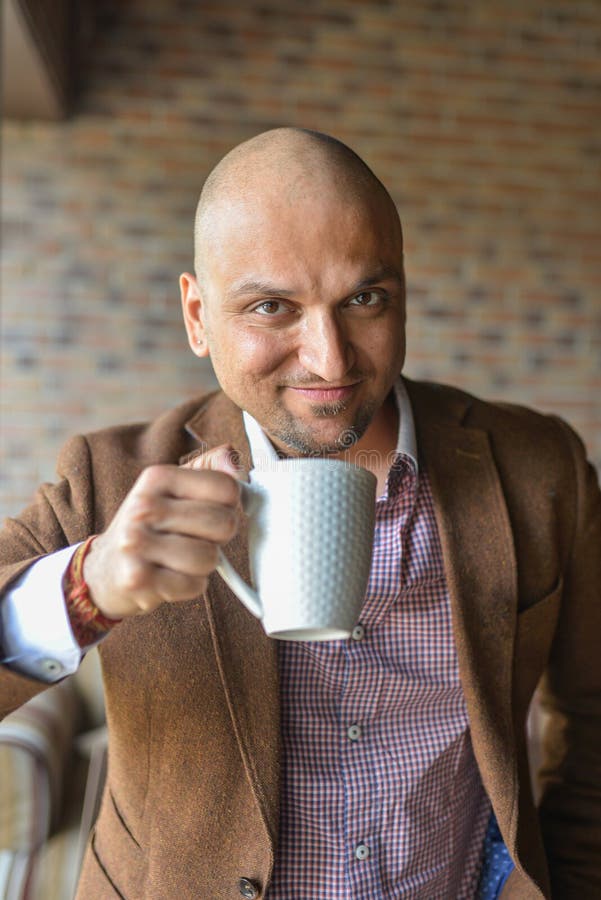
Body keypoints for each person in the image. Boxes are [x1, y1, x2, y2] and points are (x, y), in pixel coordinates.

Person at [0, 128, 599, 900]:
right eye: (272, 307)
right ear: (196, 314)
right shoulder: (108, 480)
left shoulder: (536, 467)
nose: (330, 359)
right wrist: (90, 586)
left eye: (364, 299)